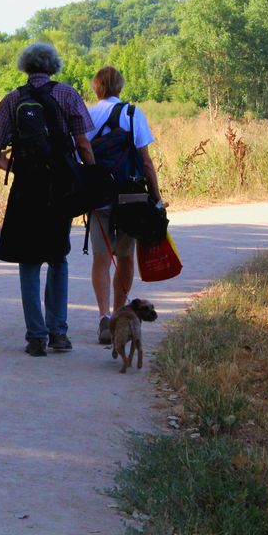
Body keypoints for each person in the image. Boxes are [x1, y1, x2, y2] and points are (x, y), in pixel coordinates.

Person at [0, 42, 95, 357]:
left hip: (26, 189)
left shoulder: (12, 100)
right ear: (53, 66)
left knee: (29, 260)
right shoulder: (68, 95)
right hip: (59, 187)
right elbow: (84, 145)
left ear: (25, 67)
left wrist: (14, 166)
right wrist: (88, 180)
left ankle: (35, 337)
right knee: (58, 258)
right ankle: (58, 333)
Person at [85, 66, 164, 344]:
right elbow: (145, 161)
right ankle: (120, 313)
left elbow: (80, 155)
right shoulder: (132, 113)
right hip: (130, 199)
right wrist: (156, 195)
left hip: (99, 197)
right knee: (126, 256)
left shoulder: (87, 114)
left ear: (97, 87)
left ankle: (104, 317)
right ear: (120, 86)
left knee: (101, 259)